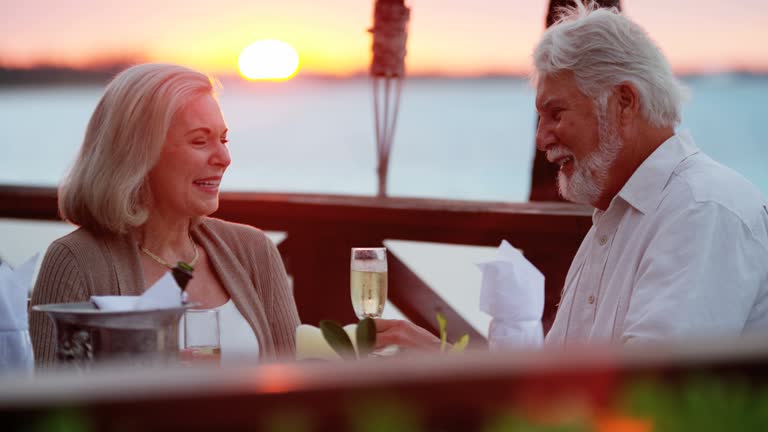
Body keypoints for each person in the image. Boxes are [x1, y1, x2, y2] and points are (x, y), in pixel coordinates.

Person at [375, 1, 768, 349]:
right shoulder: (616, 217)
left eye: (555, 114)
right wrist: (443, 364)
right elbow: (557, 388)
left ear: (624, 103)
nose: (542, 138)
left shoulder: (701, 211)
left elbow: (645, 400)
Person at [29, 63, 300, 366]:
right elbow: (55, 406)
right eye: (200, 140)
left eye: (223, 139)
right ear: (138, 154)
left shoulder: (253, 250)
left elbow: (295, 384)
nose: (224, 158)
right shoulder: (76, 261)